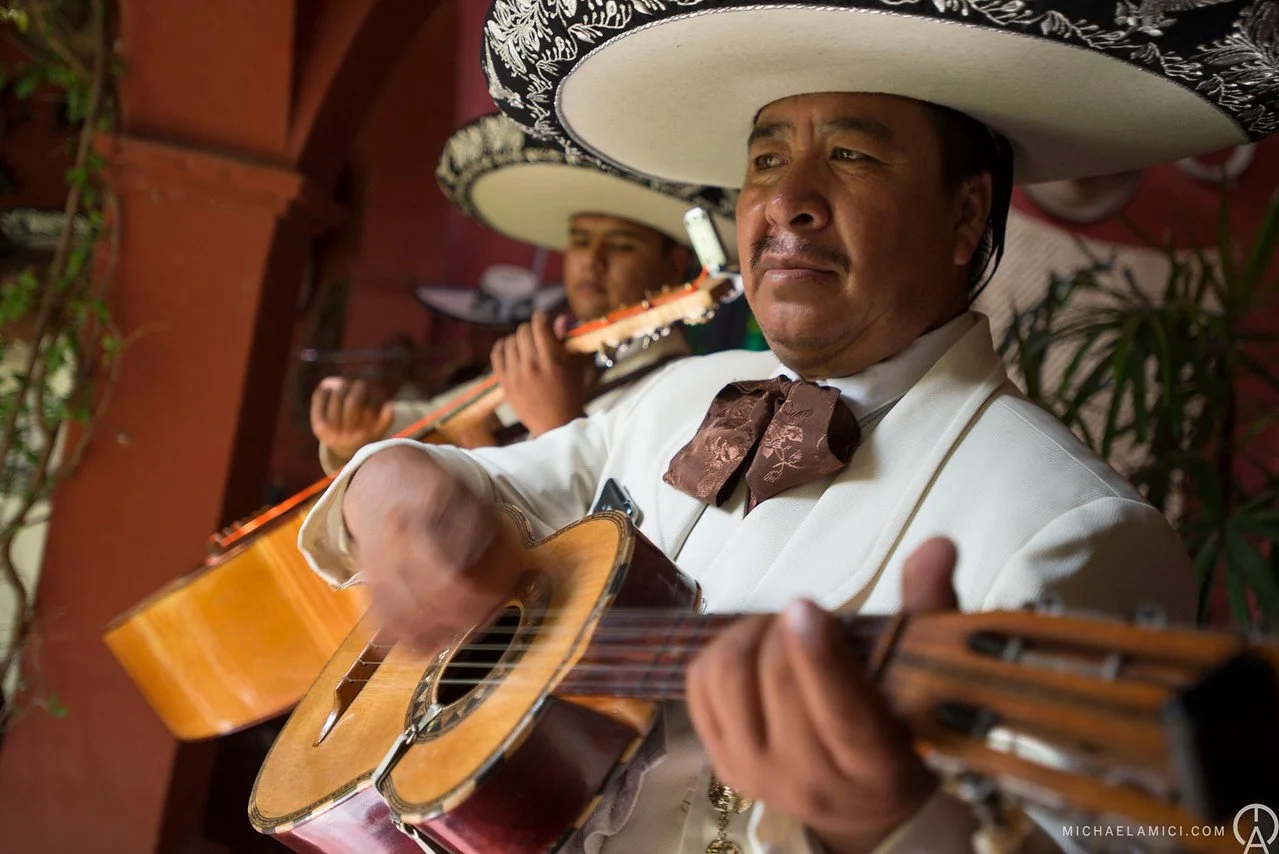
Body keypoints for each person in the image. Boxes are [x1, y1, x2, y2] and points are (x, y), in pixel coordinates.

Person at [299, 2, 1279, 850]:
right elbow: (482, 486)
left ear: (964, 213)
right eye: (766, 158)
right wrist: (400, 492)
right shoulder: (682, 392)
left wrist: (894, 822)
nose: (787, 203)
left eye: (849, 155)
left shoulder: (1072, 529)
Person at [310, 111, 737, 473]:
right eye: (580, 240)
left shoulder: (682, 387)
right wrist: (359, 430)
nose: (593, 261)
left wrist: (554, 426)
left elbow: (627, 516)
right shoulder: (560, 353)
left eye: (622, 245)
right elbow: (431, 420)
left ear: (673, 264)